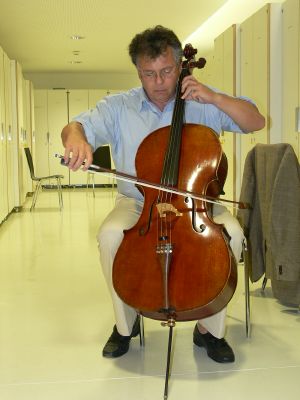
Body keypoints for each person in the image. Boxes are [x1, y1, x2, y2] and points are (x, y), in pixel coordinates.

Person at [61, 25, 265, 363]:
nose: (158, 82)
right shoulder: (119, 106)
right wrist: (76, 139)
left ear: (178, 66)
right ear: (138, 71)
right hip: (139, 201)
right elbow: (77, 126)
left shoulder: (200, 98)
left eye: (167, 71)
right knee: (111, 235)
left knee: (232, 234)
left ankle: (209, 330)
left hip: (195, 200)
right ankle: (125, 325)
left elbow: (255, 121)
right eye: (148, 73)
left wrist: (214, 97)